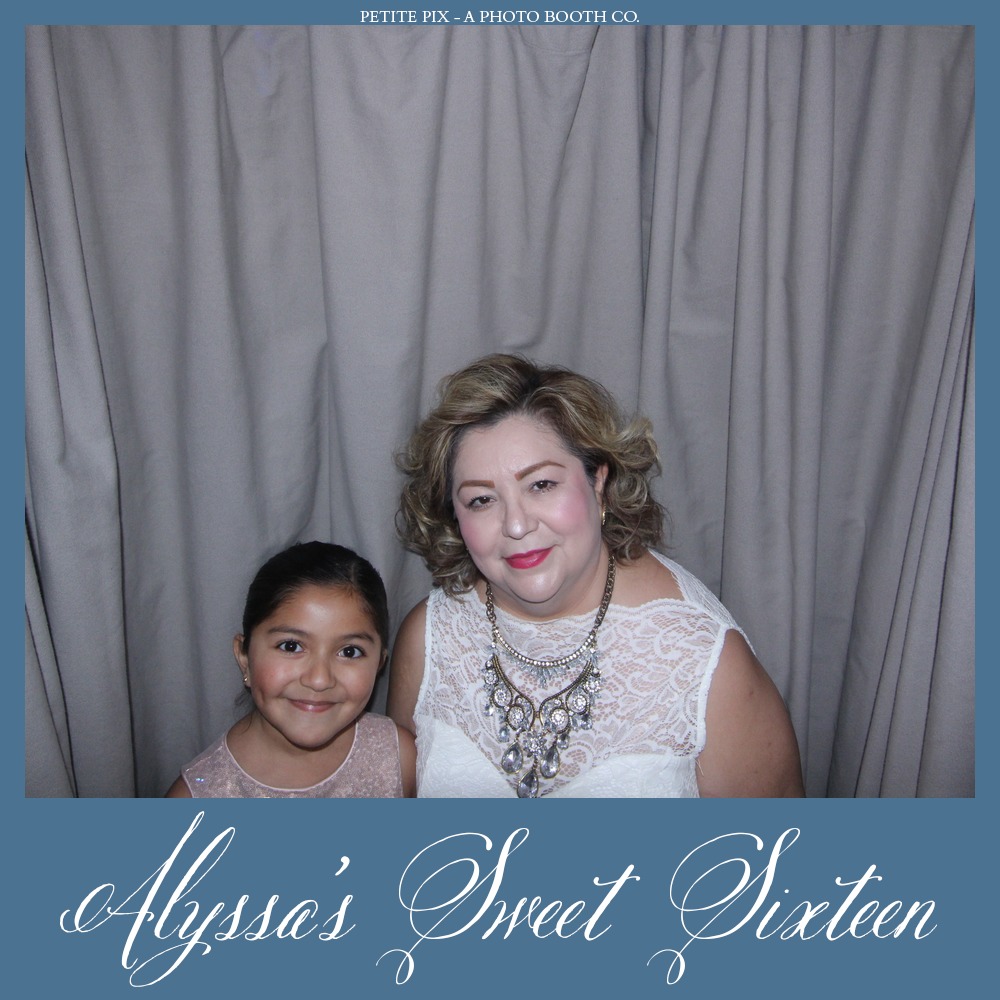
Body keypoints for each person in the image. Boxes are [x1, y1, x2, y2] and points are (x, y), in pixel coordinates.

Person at [388, 354, 804, 798]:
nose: (516, 525)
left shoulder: (708, 665)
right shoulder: (429, 639)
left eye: (541, 485)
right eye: (481, 500)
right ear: (454, 515)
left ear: (598, 482)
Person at [167, 541, 416, 797]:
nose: (319, 680)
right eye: (291, 646)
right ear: (244, 657)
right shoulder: (193, 797)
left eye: (349, 652)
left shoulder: (401, 761)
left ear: (379, 664)